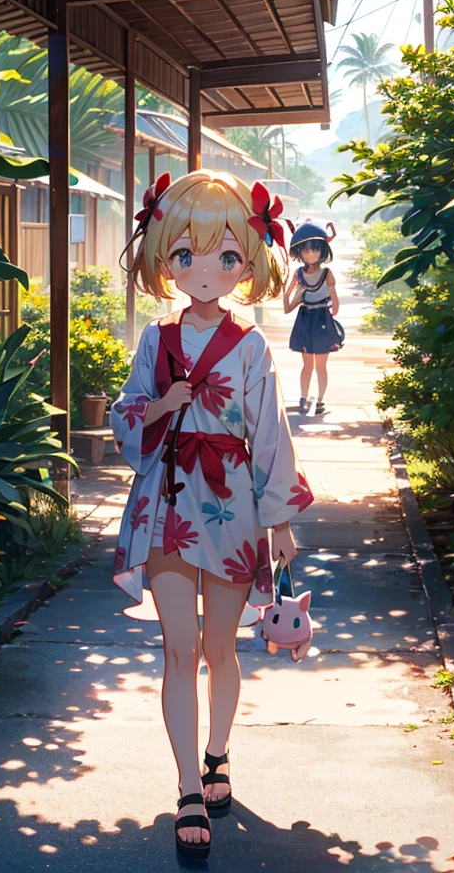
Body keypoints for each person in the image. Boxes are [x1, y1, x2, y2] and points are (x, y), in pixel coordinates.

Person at [110, 171, 314, 861]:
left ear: (248, 263)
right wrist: (162, 405)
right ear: (163, 257)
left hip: (233, 507)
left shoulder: (252, 347)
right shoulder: (154, 339)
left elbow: (270, 432)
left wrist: (280, 519)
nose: (206, 270)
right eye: (186, 254)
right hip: (168, 502)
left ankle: (218, 753)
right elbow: (127, 412)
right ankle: (187, 788)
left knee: (220, 648)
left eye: (227, 256)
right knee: (177, 649)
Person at [282, 221, 344, 414]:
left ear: (322, 250)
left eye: (314, 250)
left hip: (322, 319)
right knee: (307, 364)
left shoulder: (326, 273)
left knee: (321, 366)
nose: (310, 255)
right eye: (306, 251)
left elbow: (335, 303)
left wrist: (332, 308)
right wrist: (292, 297)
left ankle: (319, 400)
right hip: (306, 319)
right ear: (300, 253)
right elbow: (288, 298)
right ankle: (303, 398)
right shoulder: (298, 274)